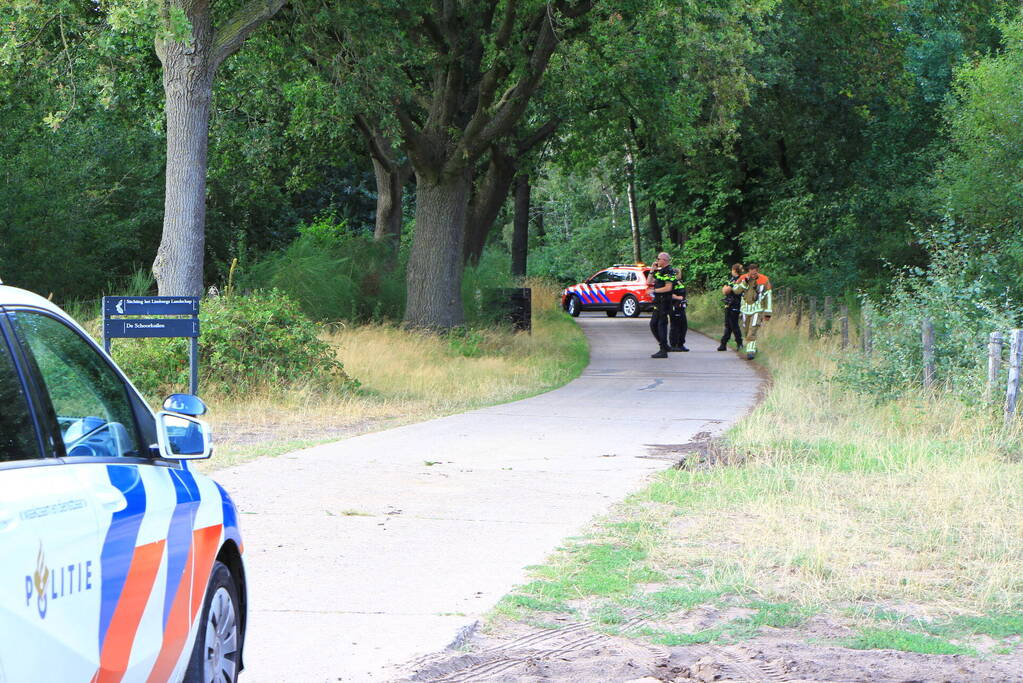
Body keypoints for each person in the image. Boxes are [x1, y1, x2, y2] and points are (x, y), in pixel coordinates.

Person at [732, 262, 772, 360]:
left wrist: (767, 313)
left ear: (757, 271)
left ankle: (750, 351)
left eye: (755, 273)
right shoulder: (743, 278)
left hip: (757, 309)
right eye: (751, 273)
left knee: (752, 329)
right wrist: (744, 283)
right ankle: (752, 346)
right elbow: (736, 290)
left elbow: (768, 296)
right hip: (745, 309)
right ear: (748, 272)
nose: (753, 275)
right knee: (746, 331)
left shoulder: (764, 280)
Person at [646, 252, 674, 358]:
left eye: (658, 259)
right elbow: (649, 281)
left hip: (664, 301)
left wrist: (655, 291)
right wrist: (652, 270)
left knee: (661, 325)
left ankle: (663, 350)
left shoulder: (669, 272)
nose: (656, 261)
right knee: (653, 324)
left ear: (664, 260)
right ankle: (664, 345)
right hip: (658, 302)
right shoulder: (661, 271)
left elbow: (668, 287)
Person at [717, 263, 744, 351]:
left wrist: (729, 287)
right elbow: (724, 291)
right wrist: (728, 288)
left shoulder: (740, 279)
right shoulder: (732, 279)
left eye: (732, 270)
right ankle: (723, 343)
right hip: (729, 304)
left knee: (734, 325)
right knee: (728, 324)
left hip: (735, 304)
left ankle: (739, 343)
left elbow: (727, 290)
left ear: (734, 270)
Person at [669, 265, 689, 352]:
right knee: (675, 326)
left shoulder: (679, 282)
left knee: (683, 326)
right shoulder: (672, 282)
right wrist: (678, 298)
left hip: (681, 307)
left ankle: (681, 344)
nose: (681, 274)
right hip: (675, 306)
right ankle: (674, 344)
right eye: (680, 273)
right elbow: (669, 293)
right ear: (676, 273)